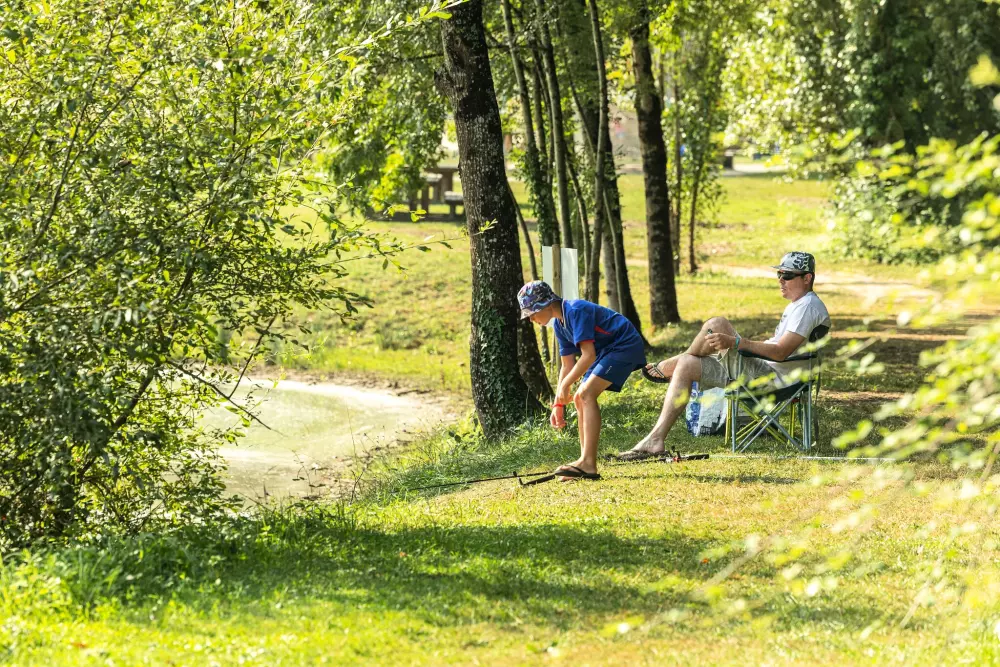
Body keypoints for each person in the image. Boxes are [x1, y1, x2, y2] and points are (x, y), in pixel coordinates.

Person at [618, 251, 832, 461]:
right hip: (767, 372)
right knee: (687, 363)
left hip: (775, 380)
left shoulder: (808, 307)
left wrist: (737, 343)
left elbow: (780, 352)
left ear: (807, 278)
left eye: (787, 275)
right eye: (779, 275)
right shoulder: (800, 305)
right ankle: (655, 439)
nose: (780, 280)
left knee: (716, 324)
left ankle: (667, 366)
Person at [517, 281, 646, 480]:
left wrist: (566, 385)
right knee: (579, 398)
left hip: (624, 345)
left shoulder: (575, 311)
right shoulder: (560, 325)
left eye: (532, 312)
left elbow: (588, 355)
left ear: (545, 304)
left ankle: (588, 464)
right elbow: (567, 365)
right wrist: (558, 403)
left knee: (586, 394)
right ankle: (584, 462)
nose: (532, 318)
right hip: (606, 351)